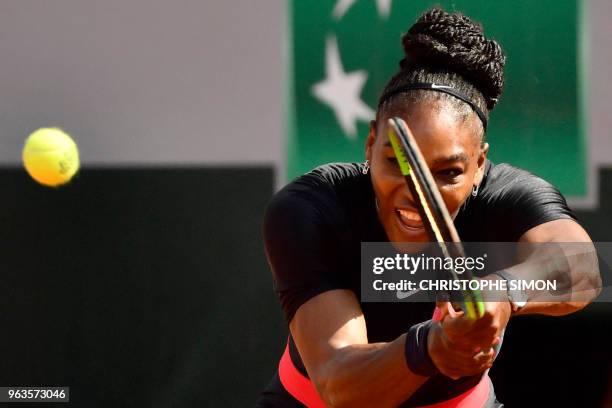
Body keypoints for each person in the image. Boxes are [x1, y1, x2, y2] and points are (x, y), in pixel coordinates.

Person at [256, 7, 600, 408]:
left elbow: (583, 269)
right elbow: (340, 384)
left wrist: (505, 291)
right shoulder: (311, 208)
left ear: (479, 165)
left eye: (449, 172)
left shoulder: (507, 197)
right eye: (397, 163)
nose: (417, 192)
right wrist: (430, 348)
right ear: (370, 144)